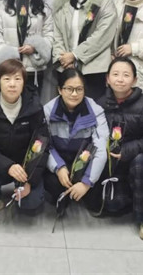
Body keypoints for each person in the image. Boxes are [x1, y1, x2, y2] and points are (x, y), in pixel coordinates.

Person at [88, 57, 143, 241]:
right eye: (115, 74)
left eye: (126, 75)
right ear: (107, 79)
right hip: (110, 161)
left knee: (141, 162)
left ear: (135, 80)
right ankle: (121, 197)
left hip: (139, 161)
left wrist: (126, 151)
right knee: (113, 206)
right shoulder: (99, 104)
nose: (120, 79)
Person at [0, 59, 48, 220]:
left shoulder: (34, 106)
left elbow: (42, 144)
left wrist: (30, 180)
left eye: (17, 79)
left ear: (24, 82)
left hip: (26, 167)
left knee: (30, 204)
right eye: (7, 79)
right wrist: (8, 166)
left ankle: (22, 190)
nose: (12, 84)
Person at [43, 68, 108, 214]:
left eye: (79, 89)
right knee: (53, 185)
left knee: (95, 199)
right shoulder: (47, 111)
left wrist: (86, 182)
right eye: (69, 89)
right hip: (61, 162)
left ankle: (83, 191)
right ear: (60, 90)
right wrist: (58, 167)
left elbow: (101, 148)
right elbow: (45, 144)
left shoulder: (96, 111)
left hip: (85, 163)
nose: (74, 94)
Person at [53, 0, 117, 100]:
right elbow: (57, 35)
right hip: (66, 67)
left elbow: (102, 36)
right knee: (67, 107)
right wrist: (62, 59)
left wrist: (75, 55)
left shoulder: (105, 3)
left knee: (91, 109)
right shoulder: (63, 3)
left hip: (93, 69)